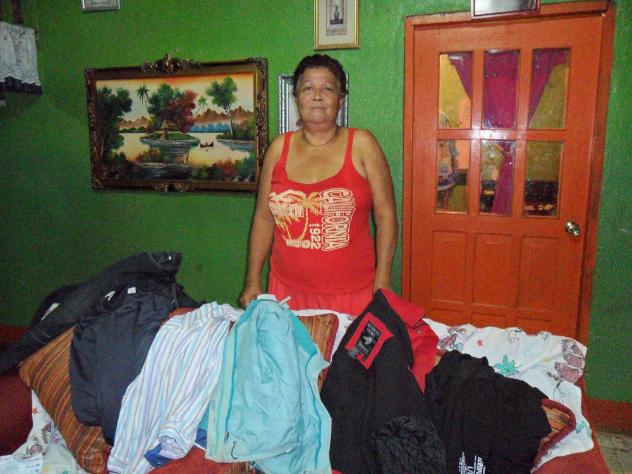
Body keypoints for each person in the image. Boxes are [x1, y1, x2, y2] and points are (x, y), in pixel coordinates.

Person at [239, 54, 397, 315]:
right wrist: (253, 279)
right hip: (285, 292)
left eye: (328, 89)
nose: (317, 96)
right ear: (297, 97)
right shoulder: (278, 148)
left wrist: (383, 281)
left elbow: (386, 216)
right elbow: (264, 219)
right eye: (308, 88)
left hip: (353, 294)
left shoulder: (363, 145)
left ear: (340, 99)